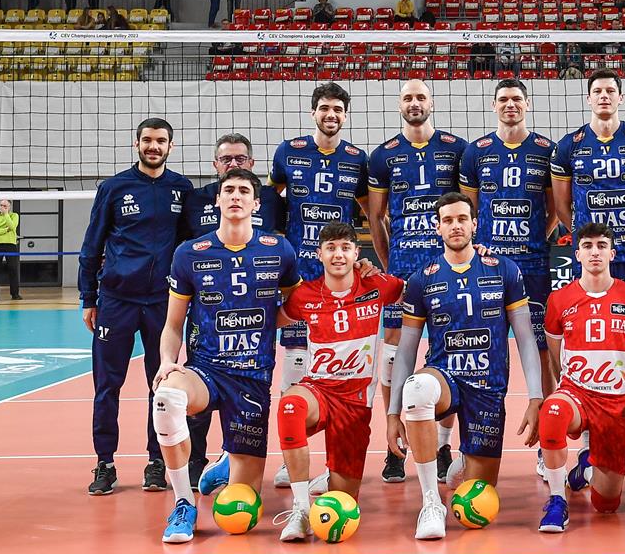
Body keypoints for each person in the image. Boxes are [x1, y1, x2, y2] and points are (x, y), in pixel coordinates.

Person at [151, 169, 302, 542]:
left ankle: (227, 462)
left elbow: (295, 307)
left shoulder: (278, 250)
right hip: (205, 371)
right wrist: (168, 361)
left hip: (253, 377)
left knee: (242, 509)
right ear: (217, 200)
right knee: (167, 398)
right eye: (229, 190)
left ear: (256, 203)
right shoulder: (189, 253)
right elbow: (172, 324)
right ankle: (183, 503)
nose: (236, 196)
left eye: (244, 191)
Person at [387, 193, 544, 539]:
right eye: (447, 220)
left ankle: (461, 463)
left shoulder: (504, 270)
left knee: (478, 499)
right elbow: (406, 350)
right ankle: (431, 502)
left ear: (474, 224)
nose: (455, 226)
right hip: (444, 377)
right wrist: (393, 412)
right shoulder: (422, 279)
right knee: (418, 388)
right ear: (437, 227)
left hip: (488, 387)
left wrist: (536, 398)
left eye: (461, 219)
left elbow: (526, 339)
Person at [551, 69, 625, 485]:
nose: (604, 96)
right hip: (591, 263)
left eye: (610, 90)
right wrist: (590, 244)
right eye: (597, 90)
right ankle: (586, 449)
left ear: (620, 97)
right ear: (588, 98)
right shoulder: (569, 145)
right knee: (584, 349)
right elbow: (561, 207)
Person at [80, 118, 194, 495]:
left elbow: (188, 246)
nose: (153, 146)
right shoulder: (114, 188)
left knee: (161, 384)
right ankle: (105, 463)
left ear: (171, 146)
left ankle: (156, 461)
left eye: (160, 141)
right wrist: (89, 298)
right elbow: (92, 245)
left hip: (162, 302)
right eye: (147, 140)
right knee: (107, 385)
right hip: (116, 300)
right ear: (137, 143)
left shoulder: (182, 188)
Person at [268, 83, 371, 486]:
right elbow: (272, 202)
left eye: (338, 109)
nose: (331, 115)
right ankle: (291, 459)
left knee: (340, 367)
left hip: (339, 275)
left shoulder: (356, 159)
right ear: (313, 112)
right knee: (295, 360)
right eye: (325, 108)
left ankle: (336, 462)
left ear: (345, 115)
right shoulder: (288, 152)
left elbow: (369, 210)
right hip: (299, 276)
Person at [273, 222, 403, 540]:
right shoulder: (305, 295)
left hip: (355, 403)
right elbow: (270, 321)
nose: (338, 255)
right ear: (319, 254)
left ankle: (330, 479)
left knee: (344, 503)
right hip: (318, 389)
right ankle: (301, 510)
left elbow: (420, 289)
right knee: (290, 406)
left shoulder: (377, 285)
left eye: (345, 248)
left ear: (357, 253)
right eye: (330, 248)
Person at [367, 80, 468, 483]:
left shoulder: (456, 149)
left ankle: (442, 445)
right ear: (399, 106)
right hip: (404, 268)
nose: (414, 103)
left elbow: (468, 209)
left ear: (432, 103)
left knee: (453, 349)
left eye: (420, 97)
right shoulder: (383, 155)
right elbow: (375, 217)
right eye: (408, 98)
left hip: (446, 267)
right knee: (393, 355)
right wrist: (390, 264)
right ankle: (395, 444)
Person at [459, 78, 558, 473]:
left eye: (517, 99)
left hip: (533, 266)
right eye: (503, 99)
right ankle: (474, 443)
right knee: (483, 352)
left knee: (542, 352)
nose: (510, 105)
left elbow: (555, 206)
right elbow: (471, 210)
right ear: (494, 105)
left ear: (527, 104)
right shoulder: (476, 152)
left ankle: (547, 441)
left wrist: (535, 239)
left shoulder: (545, 150)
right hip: (488, 268)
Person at [179, 133, 287, 491]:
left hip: (253, 339)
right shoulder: (194, 215)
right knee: (181, 398)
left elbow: (289, 282)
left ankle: (230, 457)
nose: (233, 165)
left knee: (246, 418)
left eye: (240, 159)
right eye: (226, 160)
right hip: (208, 324)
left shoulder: (274, 227)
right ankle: (192, 472)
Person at [536, 223, 625, 532]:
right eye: (587, 246)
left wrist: (621, 387)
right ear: (577, 254)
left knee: (606, 505)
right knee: (553, 411)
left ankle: (586, 468)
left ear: (612, 253)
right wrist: (566, 389)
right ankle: (557, 500)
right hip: (576, 394)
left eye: (601, 246)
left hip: (615, 402)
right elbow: (556, 355)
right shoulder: (559, 300)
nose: (595, 252)